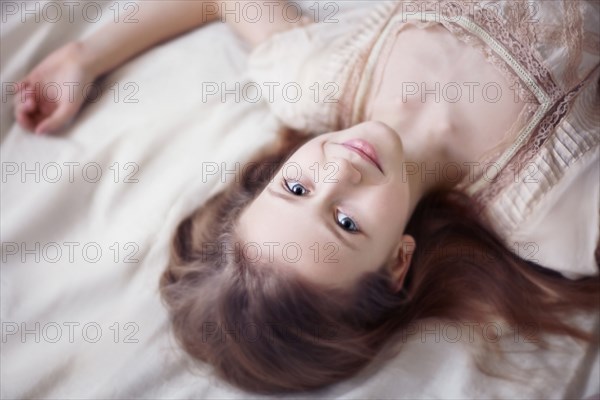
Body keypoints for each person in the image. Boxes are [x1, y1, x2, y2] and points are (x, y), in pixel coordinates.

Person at [13, 0, 600, 394]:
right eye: (345, 223)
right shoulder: (550, 211)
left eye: (294, 188)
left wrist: (86, 56)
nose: (340, 173)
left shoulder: (318, 81)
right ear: (398, 262)